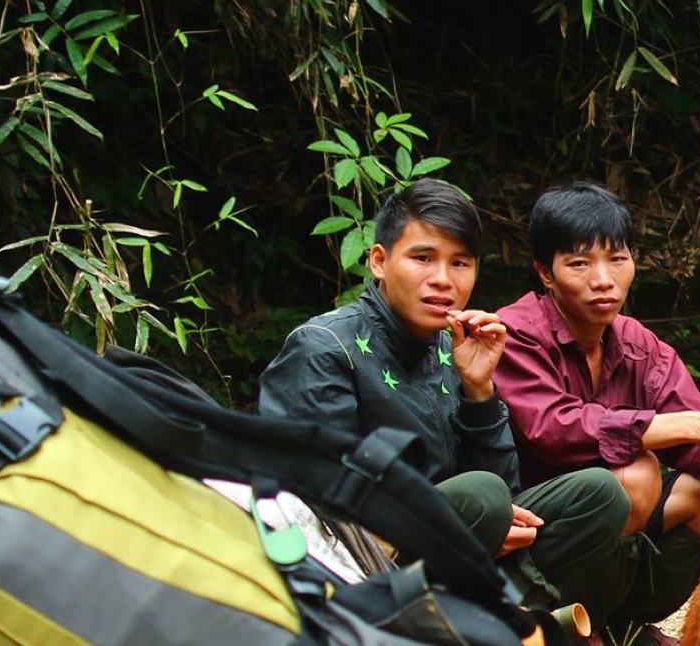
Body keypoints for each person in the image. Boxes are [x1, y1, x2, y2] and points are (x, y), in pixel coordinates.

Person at [259, 179, 627, 616]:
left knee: (599, 494)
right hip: (355, 563)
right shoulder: (323, 347)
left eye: (460, 263)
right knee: (481, 497)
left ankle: (492, 621)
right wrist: (469, 519)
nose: (442, 280)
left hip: (459, 537)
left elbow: (505, 491)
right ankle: (517, 622)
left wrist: (479, 390)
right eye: (422, 258)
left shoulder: (451, 343)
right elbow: (321, 501)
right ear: (379, 261)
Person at [494, 182, 700, 641]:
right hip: (532, 537)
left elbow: (698, 446)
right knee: (634, 474)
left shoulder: (637, 342)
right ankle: (570, 628)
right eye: (578, 263)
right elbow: (553, 427)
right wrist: (690, 424)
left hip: (616, 534)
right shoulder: (517, 331)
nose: (603, 279)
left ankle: (620, 624)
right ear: (545, 274)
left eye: (617, 258)